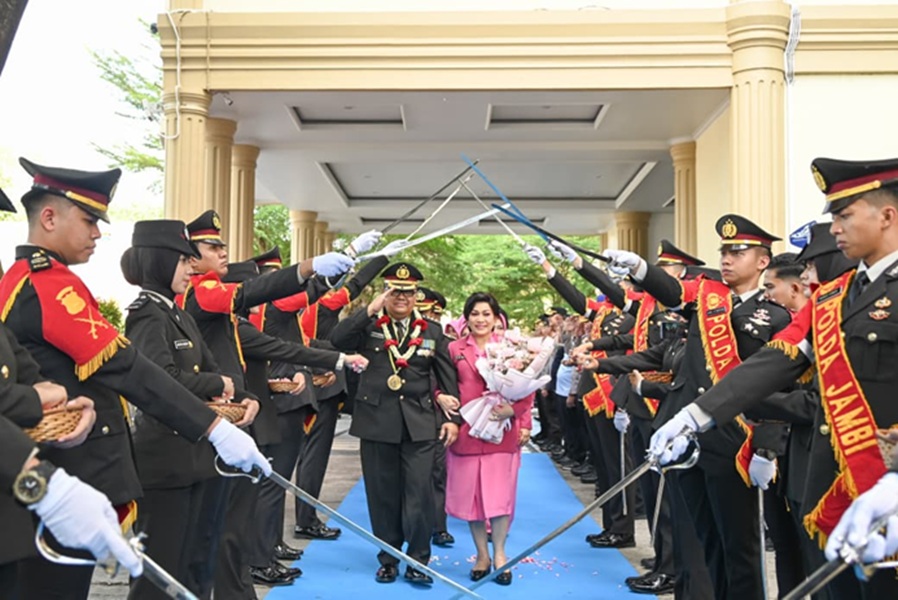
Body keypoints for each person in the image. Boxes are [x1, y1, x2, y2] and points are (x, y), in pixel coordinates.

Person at [0, 158, 270, 600]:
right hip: (57, 473)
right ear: (49, 217)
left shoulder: (35, 281)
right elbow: (126, 367)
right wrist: (212, 426)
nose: (97, 233)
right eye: (88, 220)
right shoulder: (47, 284)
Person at [648, 156, 898, 599]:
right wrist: (697, 414)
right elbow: (775, 361)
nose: (834, 227)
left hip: (883, 490)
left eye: (843, 215)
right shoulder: (835, 297)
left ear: (887, 216)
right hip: (830, 487)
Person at [605, 213, 792, 600]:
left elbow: (776, 383)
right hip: (694, 441)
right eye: (724, 251)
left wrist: (767, 447)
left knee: (740, 549)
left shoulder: (773, 316)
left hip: (737, 443)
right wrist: (641, 269)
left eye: (738, 252)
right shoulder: (709, 301)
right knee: (707, 543)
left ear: (761, 261)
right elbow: (673, 292)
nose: (726, 259)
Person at [120, 220, 258, 600]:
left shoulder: (178, 313)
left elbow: (214, 367)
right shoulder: (147, 313)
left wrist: (244, 394)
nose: (190, 268)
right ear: (161, 262)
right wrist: (218, 386)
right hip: (166, 462)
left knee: (198, 566)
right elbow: (159, 379)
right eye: (183, 261)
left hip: (200, 457)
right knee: (160, 575)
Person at [330, 262, 461, 586]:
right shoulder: (369, 326)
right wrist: (368, 310)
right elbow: (336, 339)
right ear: (385, 293)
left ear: (417, 295)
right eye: (395, 291)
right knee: (382, 495)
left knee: (420, 494)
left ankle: (418, 559)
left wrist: (453, 419)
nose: (402, 297)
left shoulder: (432, 333)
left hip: (419, 423)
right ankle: (388, 558)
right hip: (377, 422)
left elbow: (448, 379)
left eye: (408, 292)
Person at [443, 292, 533, 586]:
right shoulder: (454, 348)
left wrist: (519, 416)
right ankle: (481, 554)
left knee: (498, 498)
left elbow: (526, 390)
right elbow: (441, 384)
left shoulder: (510, 349)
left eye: (486, 314)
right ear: (466, 318)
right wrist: (441, 399)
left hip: (501, 432)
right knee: (473, 499)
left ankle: (501, 555)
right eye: (475, 314)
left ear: (496, 318)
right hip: (466, 432)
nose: (480, 319)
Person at [416, 286, 455, 549]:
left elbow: (441, 374)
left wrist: (440, 395)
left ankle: (438, 526)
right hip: (411, 412)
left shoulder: (438, 338)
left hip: (436, 414)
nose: (429, 318)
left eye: (431, 313)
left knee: (438, 472)